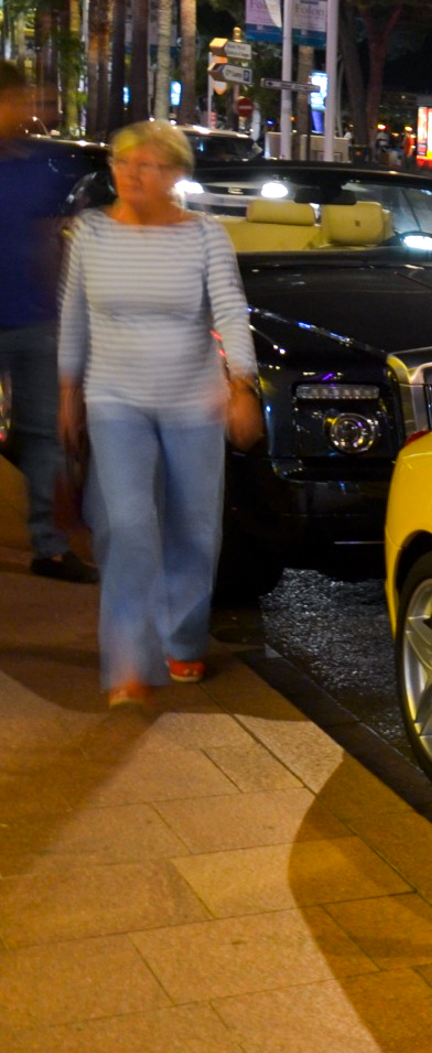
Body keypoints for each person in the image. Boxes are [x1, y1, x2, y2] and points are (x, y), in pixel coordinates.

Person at [57, 121, 257, 706]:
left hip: (192, 401)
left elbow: (230, 308)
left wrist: (240, 385)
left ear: (175, 176)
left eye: (147, 165)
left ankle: (183, 640)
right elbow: (75, 318)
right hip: (115, 398)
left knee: (194, 529)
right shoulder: (91, 232)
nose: (132, 174)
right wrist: (69, 392)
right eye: (123, 163)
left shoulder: (205, 236)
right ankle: (126, 660)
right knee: (127, 523)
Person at [0, 61, 92, 584]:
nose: (24, 111)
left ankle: (50, 548)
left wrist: (58, 309)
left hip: (33, 321)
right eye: (13, 100)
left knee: (42, 437)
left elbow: (45, 241)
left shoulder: (36, 166)